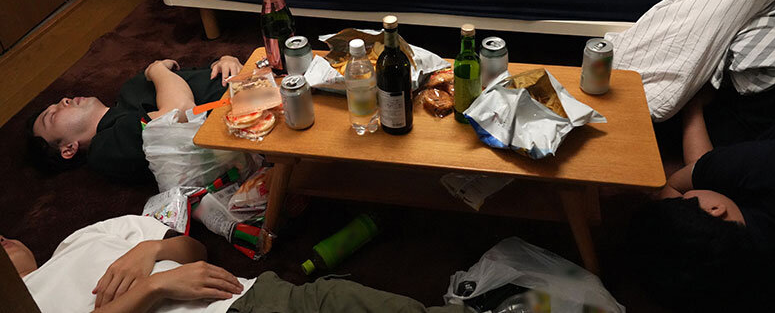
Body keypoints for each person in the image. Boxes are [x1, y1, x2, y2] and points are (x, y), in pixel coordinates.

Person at [3, 214, 471, 313]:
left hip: (251, 297)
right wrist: (152, 288)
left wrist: (151, 251)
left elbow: (195, 252)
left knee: (360, 303)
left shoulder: (83, 238)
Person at [626, 82, 775, 310]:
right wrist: (693, 104)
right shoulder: (770, 171)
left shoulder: (770, 287)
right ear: (715, 210)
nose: (684, 194)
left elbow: (701, 172)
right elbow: (688, 177)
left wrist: (694, 108)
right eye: (684, 198)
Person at [27, 55, 243, 182]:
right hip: (245, 121)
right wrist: (157, 71)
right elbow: (180, 112)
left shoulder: (130, 88)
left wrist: (225, 60)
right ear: (68, 149)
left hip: (248, 78)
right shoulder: (105, 148)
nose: (63, 100)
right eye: (52, 116)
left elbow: (201, 76)